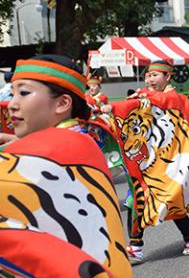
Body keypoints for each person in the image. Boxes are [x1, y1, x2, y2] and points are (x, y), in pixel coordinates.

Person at [0, 54, 132, 277]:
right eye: (12, 93)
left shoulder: (55, 150)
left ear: (62, 103)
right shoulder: (77, 140)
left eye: (23, 93)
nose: (12, 105)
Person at [104, 60, 189, 264]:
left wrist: (129, 102)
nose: (149, 79)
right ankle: (135, 246)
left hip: (171, 161)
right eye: (148, 75)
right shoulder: (145, 97)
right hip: (149, 161)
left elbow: (164, 100)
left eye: (155, 75)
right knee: (137, 199)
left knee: (171, 202)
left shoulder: (176, 98)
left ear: (168, 77)